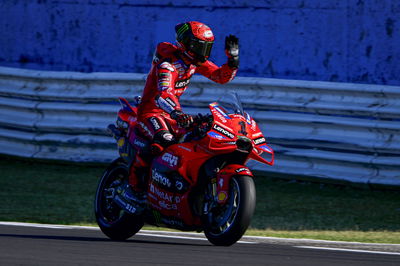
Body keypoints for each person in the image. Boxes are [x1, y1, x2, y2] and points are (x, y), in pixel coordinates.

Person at [120, 21, 240, 211]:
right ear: (186, 44)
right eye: (199, 46)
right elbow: (163, 94)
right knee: (162, 142)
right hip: (152, 112)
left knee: (195, 140)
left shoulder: (193, 63)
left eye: (207, 46)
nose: (203, 51)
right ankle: (132, 189)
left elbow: (220, 77)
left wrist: (232, 61)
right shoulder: (169, 65)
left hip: (172, 115)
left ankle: (178, 189)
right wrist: (177, 112)